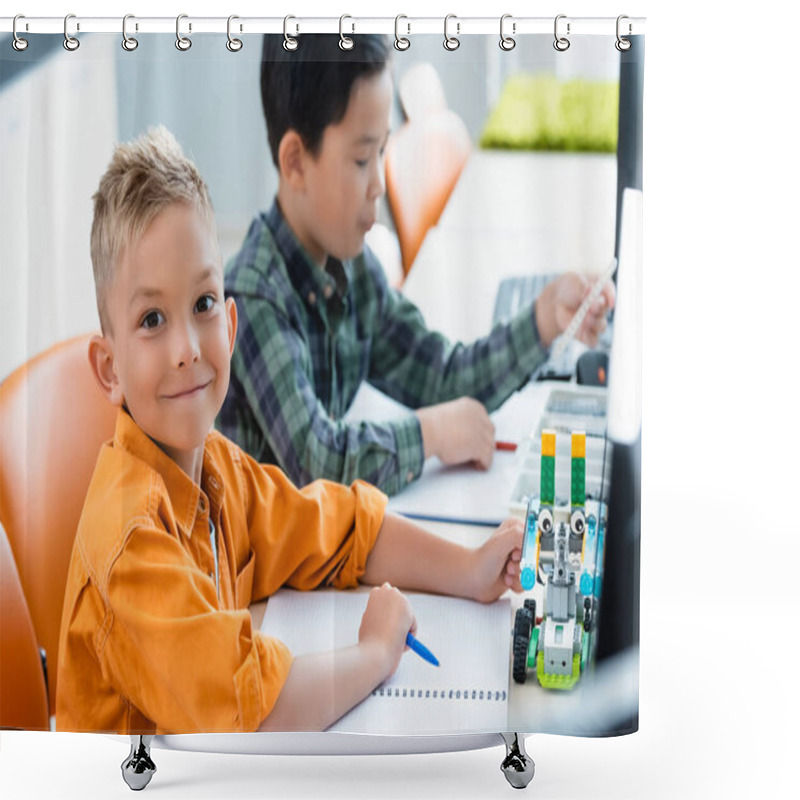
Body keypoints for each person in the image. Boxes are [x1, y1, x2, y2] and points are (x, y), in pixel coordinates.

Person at [56, 126, 524, 735]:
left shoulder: (217, 470)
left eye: (202, 305)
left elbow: (334, 528)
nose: (187, 350)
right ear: (109, 368)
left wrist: (467, 568)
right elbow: (258, 708)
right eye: (151, 319)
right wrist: (375, 654)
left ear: (230, 322)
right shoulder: (132, 549)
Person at [217, 33, 615, 497]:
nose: (379, 186)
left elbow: (443, 378)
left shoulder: (355, 271)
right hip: (255, 564)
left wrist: (544, 320)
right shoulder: (253, 298)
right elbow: (318, 464)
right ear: (295, 162)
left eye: (384, 151)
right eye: (363, 158)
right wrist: (431, 433)